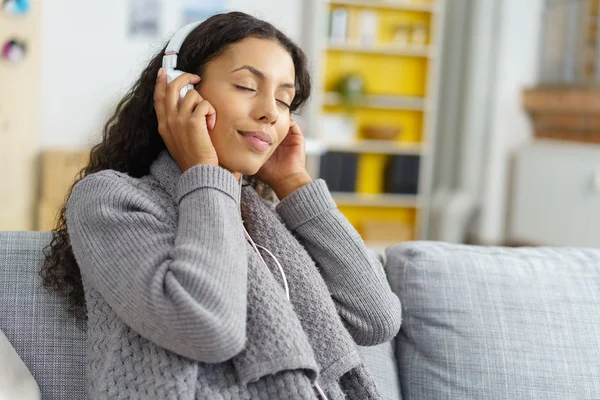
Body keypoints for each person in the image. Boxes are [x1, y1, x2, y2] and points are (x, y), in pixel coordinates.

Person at [41, 11, 402, 400]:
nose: (270, 112)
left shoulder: (260, 221)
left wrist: (293, 182)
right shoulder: (110, 200)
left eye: (285, 100)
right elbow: (209, 329)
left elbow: (376, 318)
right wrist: (202, 168)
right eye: (247, 86)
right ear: (180, 93)